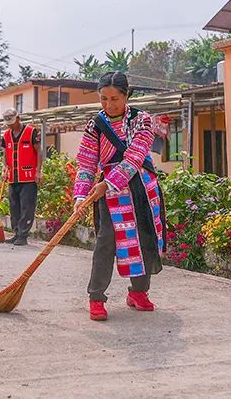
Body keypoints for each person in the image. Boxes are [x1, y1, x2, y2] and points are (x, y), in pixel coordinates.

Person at [72, 71, 167, 321]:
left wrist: (107, 183)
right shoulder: (95, 126)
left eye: (114, 98)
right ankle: (96, 297)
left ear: (126, 95)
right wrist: (80, 196)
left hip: (142, 190)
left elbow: (134, 158)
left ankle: (138, 292)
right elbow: (86, 163)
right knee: (106, 242)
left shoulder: (143, 121)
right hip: (110, 195)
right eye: (103, 98)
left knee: (144, 237)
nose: (108, 105)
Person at [0, 108, 44, 246]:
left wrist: (38, 171)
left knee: (27, 207)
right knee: (14, 207)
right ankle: (16, 233)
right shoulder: (6, 135)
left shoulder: (31, 132)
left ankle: (23, 235)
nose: (10, 126)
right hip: (13, 177)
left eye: (12, 122)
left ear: (18, 118)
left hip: (28, 178)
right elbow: (5, 154)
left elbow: (39, 151)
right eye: (8, 124)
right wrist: (4, 168)